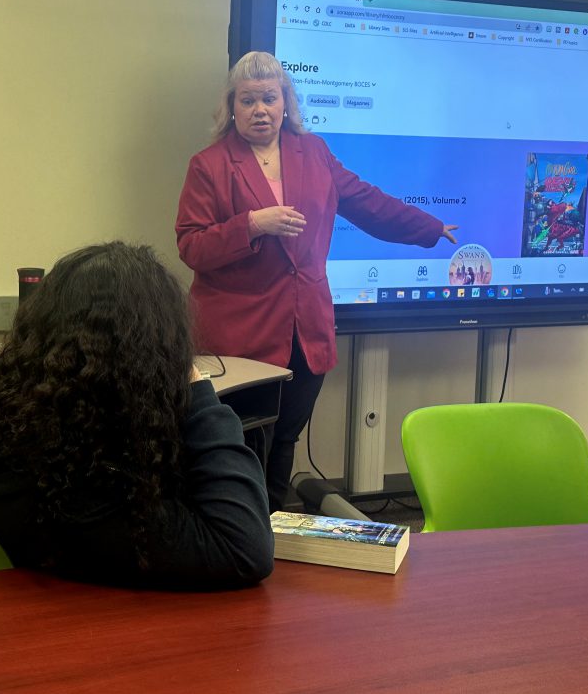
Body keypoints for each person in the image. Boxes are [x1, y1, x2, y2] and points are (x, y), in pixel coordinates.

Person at [176, 51, 458, 512]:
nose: (260, 109)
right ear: (232, 107)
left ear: (286, 102)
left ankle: (271, 528)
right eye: (248, 101)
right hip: (239, 337)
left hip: (304, 330)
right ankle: (240, 527)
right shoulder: (209, 164)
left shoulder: (315, 153)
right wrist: (251, 224)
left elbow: (368, 202)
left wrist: (428, 228)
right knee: (243, 442)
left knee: (285, 436)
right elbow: (191, 246)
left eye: (269, 98)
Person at [0, 241, 274, 590]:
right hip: (111, 625)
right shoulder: (88, 492)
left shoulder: (16, 425)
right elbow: (244, 548)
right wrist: (196, 389)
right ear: (145, 359)